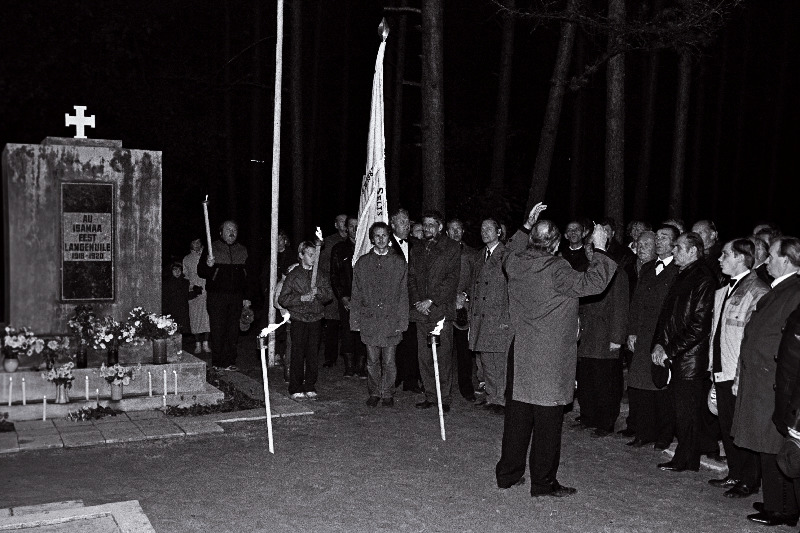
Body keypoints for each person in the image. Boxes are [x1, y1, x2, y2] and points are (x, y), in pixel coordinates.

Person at [496, 203, 617, 497]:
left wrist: (526, 225)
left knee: (517, 419)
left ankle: (508, 475)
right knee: (548, 425)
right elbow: (594, 283)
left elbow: (507, 251)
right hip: (549, 359)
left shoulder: (515, 263)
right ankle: (543, 483)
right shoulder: (557, 269)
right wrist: (600, 249)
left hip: (522, 353)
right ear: (557, 242)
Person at [732, 237, 800, 527]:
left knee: (772, 444)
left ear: (786, 260)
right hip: (760, 378)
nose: (766, 260)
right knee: (764, 442)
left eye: (771, 256)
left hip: (772, 380)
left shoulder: (794, 290)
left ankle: (780, 508)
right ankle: (776, 502)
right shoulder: (779, 288)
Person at [706, 239, 769, 497]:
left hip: (738, 371)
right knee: (727, 425)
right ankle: (735, 473)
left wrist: (742, 375)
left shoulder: (757, 291)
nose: (720, 259)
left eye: (725, 254)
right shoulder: (723, 289)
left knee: (743, 428)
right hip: (721, 367)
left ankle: (749, 480)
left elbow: (754, 339)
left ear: (742, 258)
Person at [651, 232, 716, 473]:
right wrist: (659, 344)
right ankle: (686, 458)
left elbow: (699, 325)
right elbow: (667, 316)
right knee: (682, 410)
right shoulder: (684, 275)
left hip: (689, 359)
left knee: (687, 412)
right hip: (677, 355)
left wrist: (670, 349)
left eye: (678, 248)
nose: (673, 251)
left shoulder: (702, 278)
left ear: (693, 251)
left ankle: (686, 459)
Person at [625, 225, 680, 449]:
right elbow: (637, 302)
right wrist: (632, 330)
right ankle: (644, 431)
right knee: (641, 384)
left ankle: (663, 435)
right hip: (643, 335)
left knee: (660, 385)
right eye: (656, 237)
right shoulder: (647, 268)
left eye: (664, 237)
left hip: (662, 335)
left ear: (675, 244)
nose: (658, 241)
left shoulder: (677, 270)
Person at [350, 222, 409, 407]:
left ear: (389, 237)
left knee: (390, 361)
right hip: (370, 321)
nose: (381, 239)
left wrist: (402, 321)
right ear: (372, 239)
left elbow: (403, 294)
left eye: (384, 235)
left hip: (391, 321)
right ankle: (374, 392)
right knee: (372, 361)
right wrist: (355, 320)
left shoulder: (399, 263)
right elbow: (356, 293)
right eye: (377, 236)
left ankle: (388, 393)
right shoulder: (362, 263)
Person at [409, 210, 461, 413]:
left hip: (440, 310)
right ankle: (430, 395)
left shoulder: (452, 247)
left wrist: (431, 300)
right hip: (421, 312)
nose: (428, 228)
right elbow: (411, 277)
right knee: (424, 356)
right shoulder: (417, 248)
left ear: (440, 227)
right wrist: (418, 302)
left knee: (443, 355)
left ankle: (444, 397)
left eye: (432, 224)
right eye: (425, 224)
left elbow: (451, 279)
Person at [576, 246, 629, 437]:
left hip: (605, 337)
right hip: (586, 336)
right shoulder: (583, 271)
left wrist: (617, 338)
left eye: (594, 249)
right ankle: (587, 417)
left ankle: (605, 423)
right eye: (588, 249)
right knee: (586, 381)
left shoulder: (616, 272)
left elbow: (621, 307)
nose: (590, 253)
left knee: (605, 383)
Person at [278, 241, 333, 400]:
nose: (314, 258)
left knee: (312, 353)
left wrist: (319, 292)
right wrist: (302, 298)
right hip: (299, 319)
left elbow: (329, 295)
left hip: (315, 318)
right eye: (310, 254)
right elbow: (283, 299)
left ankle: (310, 384)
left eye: (316, 254)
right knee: (298, 352)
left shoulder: (320, 274)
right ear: (301, 255)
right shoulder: (294, 275)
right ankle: (295, 386)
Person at [468, 218, 512, 414]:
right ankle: (492, 396)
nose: (484, 232)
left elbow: (512, 289)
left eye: (489, 229)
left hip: (498, 316)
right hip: (481, 316)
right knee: (486, 360)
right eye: (482, 228)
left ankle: (501, 399)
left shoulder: (507, 255)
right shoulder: (479, 256)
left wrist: (507, 318)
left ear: (499, 232)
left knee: (499, 361)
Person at [197, 220, 251, 370]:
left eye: (234, 229)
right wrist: (208, 265)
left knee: (233, 330)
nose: (232, 232)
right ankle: (218, 363)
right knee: (218, 329)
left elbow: (248, 276)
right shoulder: (212, 248)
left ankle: (230, 362)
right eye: (228, 229)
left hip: (236, 296)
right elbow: (201, 272)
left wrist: (247, 297)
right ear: (221, 232)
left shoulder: (242, 250)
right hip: (217, 296)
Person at [447, 218, 478, 404]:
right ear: (447, 232)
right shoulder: (440, 252)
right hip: (444, 307)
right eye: (452, 229)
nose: (456, 232)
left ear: (463, 231)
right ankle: (443, 390)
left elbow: (476, 280)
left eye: (458, 229)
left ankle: (466, 387)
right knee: (444, 351)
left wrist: (464, 295)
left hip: (463, 309)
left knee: (464, 352)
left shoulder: (472, 254)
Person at [390, 209, 421, 392]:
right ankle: (395, 378)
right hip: (394, 300)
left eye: (408, 222)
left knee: (412, 341)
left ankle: (411, 379)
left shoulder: (416, 244)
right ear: (393, 225)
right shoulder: (387, 244)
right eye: (402, 222)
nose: (407, 225)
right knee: (395, 340)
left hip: (412, 299)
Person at [320, 214, 348, 368]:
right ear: (336, 224)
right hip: (332, 288)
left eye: (346, 221)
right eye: (341, 221)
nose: (344, 224)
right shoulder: (329, 242)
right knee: (331, 324)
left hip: (349, 289)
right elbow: (323, 266)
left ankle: (348, 357)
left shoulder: (357, 239)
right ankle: (330, 357)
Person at [183, 238, 211, 355]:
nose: (197, 245)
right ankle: (197, 344)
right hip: (194, 291)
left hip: (207, 289)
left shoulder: (207, 255)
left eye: (199, 242)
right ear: (191, 244)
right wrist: (191, 286)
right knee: (194, 318)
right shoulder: (187, 258)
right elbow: (185, 275)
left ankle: (206, 343)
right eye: (194, 242)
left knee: (207, 317)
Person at [692, 220, 726, 287]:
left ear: (712, 235)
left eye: (700, 233)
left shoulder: (721, 256)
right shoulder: (693, 255)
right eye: (693, 234)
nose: (696, 238)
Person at [162, 261, 191, 335]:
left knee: (183, 331)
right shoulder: (167, 283)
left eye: (179, 270)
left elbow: (186, 296)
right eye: (175, 270)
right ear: (171, 271)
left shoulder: (185, 282)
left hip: (182, 310)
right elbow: (165, 298)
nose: (177, 272)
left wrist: (195, 292)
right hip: (171, 309)